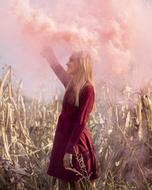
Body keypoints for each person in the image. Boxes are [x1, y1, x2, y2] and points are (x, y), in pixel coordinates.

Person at [42, 47, 99, 190]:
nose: (67, 63)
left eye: (71, 60)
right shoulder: (71, 84)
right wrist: (48, 52)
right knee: (64, 185)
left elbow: (80, 122)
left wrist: (69, 150)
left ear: (81, 64)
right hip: (64, 141)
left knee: (79, 185)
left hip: (76, 144)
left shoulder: (88, 89)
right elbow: (57, 68)